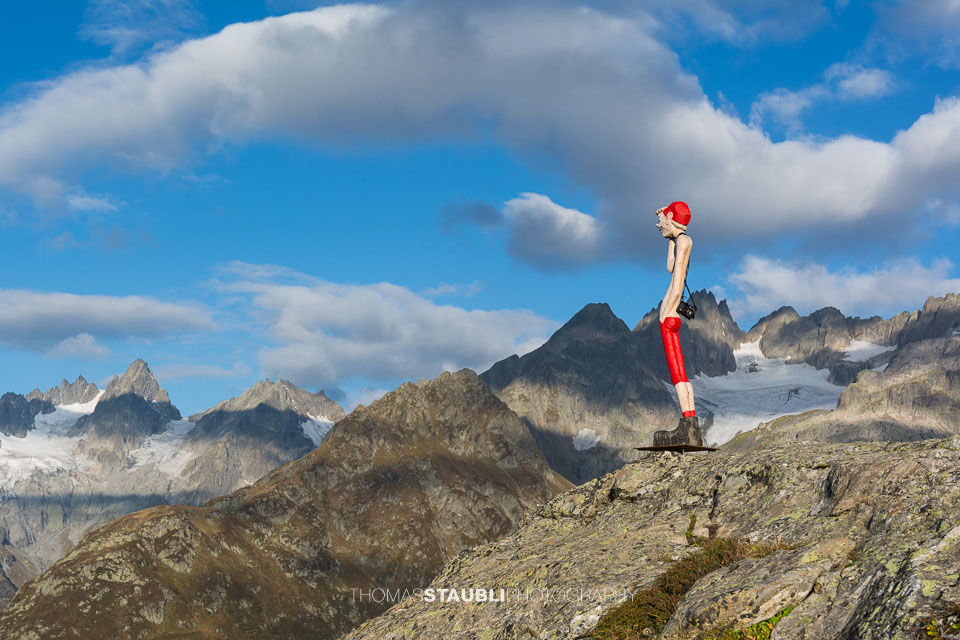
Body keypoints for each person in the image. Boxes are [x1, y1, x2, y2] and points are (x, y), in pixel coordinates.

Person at [652, 201, 702, 446]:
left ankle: (687, 425)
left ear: (671, 216)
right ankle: (691, 422)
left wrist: (668, 308)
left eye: (662, 220)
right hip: (673, 314)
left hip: (669, 314)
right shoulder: (679, 241)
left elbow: (678, 276)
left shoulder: (684, 241)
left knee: (678, 376)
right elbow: (670, 266)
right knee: (681, 374)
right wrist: (670, 238)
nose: (658, 224)